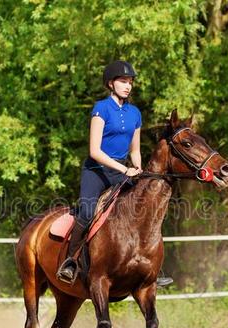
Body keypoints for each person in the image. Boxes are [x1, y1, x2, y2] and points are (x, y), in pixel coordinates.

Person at [56, 61, 173, 288]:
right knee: (88, 211)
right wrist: (124, 169)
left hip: (123, 170)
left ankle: (152, 267)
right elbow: (94, 151)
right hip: (96, 171)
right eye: (123, 81)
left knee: (145, 209)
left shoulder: (135, 113)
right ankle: (71, 262)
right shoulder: (101, 108)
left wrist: (138, 169)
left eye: (130, 82)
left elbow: (135, 150)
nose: (127, 86)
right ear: (111, 83)